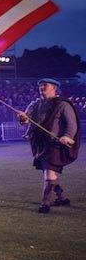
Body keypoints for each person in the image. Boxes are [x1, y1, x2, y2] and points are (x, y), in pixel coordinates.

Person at [18, 78, 80, 213]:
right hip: (39, 144)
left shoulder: (63, 105)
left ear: (54, 88)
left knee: (49, 174)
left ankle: (45, 204)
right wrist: (23, 118)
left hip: (54, 144)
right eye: (40, 86)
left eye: (45, 85)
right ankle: (62, 197)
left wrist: (67, 136)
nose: (41, 88)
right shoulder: (35, 104)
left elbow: (71, 124)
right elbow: (26, 119)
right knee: (48, 172)